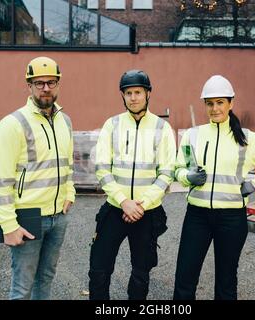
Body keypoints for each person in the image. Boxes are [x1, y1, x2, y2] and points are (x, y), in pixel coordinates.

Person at [173, 75, 255, 300]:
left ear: (230, 103)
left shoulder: (247, 138)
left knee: (226, 280)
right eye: (209, 103)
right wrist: (188, 176)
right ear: (204, 105)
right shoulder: (192, 135)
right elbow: (177, 169)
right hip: (197, 217)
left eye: (220, 102)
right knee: (185, 276)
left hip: (232, 218)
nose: (214, 108)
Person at [0, 56, 75, 300]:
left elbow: (68, 164)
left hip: (58, 217)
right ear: (29, 86)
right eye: (39, 83)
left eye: (51, 82)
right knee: (22, 287)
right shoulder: (12, 124)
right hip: (27, 218)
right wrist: (8, 225)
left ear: (58, 84)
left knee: (45, 279)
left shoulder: (65, 121)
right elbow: (0, 181)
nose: (45, 88)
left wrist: (70, 193)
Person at [89, 70, 176, 300]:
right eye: (128, 93)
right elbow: (102, 168)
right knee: (99, 268)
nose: (134, 97)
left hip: (145, 213)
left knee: (141, 271)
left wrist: (141, 205)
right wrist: (124, 202)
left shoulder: (162, 128)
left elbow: (167, 173)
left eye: (138, 92)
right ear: (123, 96)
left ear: (148, 94)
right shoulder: (112, 125)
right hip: (115, 209)